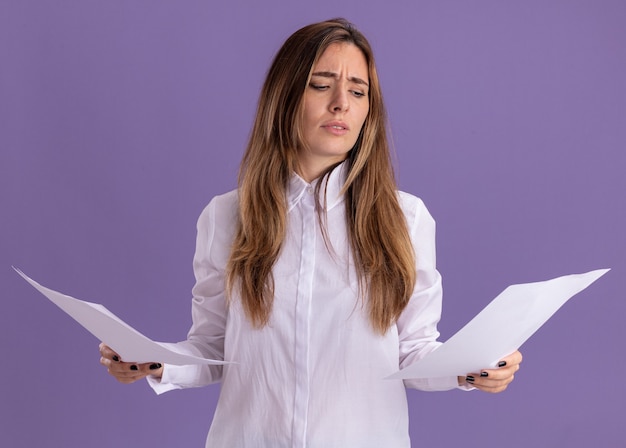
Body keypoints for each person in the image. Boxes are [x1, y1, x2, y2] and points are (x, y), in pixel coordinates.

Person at [99, 18, 522, 447]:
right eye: (322, 85)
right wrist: (155, 361)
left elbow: (413, 353)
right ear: (284, 98)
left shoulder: (405, 218)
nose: (342, 103)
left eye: (358, 92)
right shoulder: (226, 217)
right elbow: (213, 350)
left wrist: (473, 367)